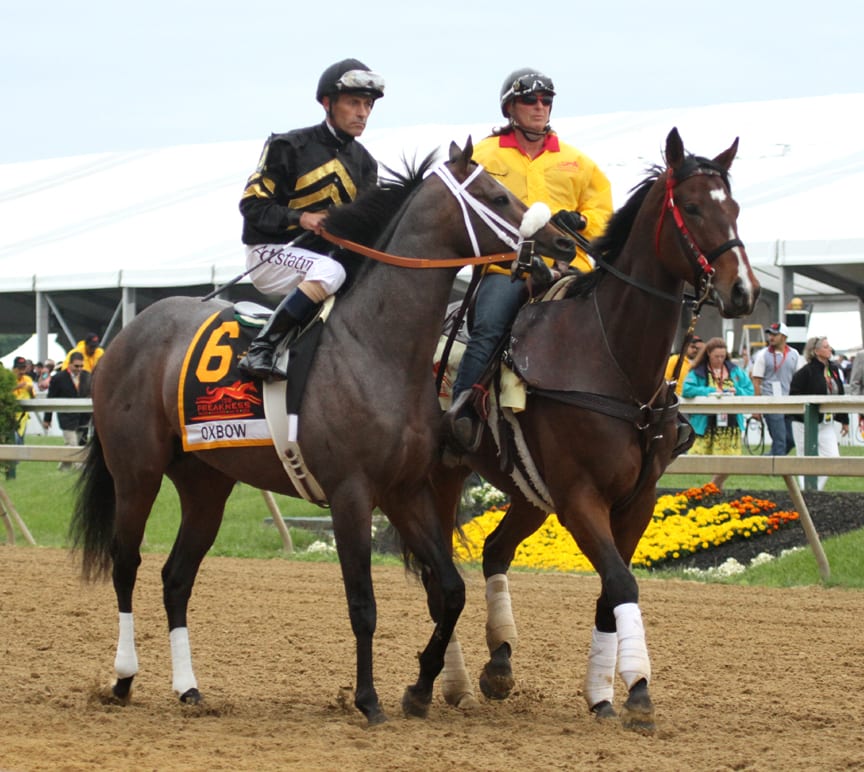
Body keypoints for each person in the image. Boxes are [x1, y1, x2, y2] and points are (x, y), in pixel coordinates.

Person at [444, 67, 613, 453]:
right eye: (529, 100)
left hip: (570, 271)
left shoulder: (578, 161)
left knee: (617, 322)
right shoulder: (481, 155)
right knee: (488, 329)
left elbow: (606, 216)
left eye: (545, 101)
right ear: (510, 108)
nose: (539, 107)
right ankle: (460, 419)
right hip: (506, 267)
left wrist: (583, 221)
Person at [237, 58, 384, 380]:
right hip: (269, 252)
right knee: (329, 271)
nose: (363, 113)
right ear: (328, 103)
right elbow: (252, 206)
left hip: (324, 258)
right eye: (354, 103)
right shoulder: (287, 146)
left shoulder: (366, 164)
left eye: (368, 105)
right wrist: (301, 218)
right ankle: (263, 346)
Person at [682, 337, 754, 491]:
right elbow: (687, 390)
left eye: (722, 356)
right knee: (701, 459)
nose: (720, 360)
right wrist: (711, 391)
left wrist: (737, 391)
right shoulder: (698, 372)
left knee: (730, 461)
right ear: (708, 354)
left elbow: (749, 390)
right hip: (706, 423)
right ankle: (711, 491)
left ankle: (711, 488)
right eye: (716, 356)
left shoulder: (735, 371)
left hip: (730, 424)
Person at [789, 336, 849, 491]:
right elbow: (794, 394)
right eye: (826, 346)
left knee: (832, 458)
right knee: (804, 458)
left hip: (826, 422)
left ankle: (814, 491)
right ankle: (806, 493)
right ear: (816, 351)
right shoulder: (805, 372)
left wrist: (844, 420)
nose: (830, 349)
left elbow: (839, 394)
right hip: (803, 422)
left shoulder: (833, 369)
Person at [750, 322, 800, 456]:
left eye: (774, 334)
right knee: (780, 440)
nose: (771, 337)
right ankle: (778, 471)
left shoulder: (794, 354)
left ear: (784, 337)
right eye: (770, 334)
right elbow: (756, 381)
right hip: (770, 402)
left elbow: (798, 377)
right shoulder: (762, 355)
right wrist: (756, 408)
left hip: (788, 403)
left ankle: (765, 461)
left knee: (790, 440)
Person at [42, 352, 92, 470]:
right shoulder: (59, 378)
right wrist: (47, 418)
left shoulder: (87, 376)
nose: (79, 369)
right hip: (66, 417)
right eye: (76, 366)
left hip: (84, 417)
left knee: (78, 444)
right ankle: (79, 468)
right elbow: (51, 398)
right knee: (72, 444)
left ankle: (63, 467)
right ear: (69, 365)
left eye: (81, 366)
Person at [7, 356, 36, 479]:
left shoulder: (28, 379)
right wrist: (18, 387)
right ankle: (10, 468)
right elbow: (5, 392)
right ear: (14, 369)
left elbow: (33, 397)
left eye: (24, 368)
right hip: (10, 416)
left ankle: (13, 464)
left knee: (19, 442)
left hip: (23, 417)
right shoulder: (8, 379)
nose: (22, 371)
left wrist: (29, 390)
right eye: (19, 369)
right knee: (13, 441)